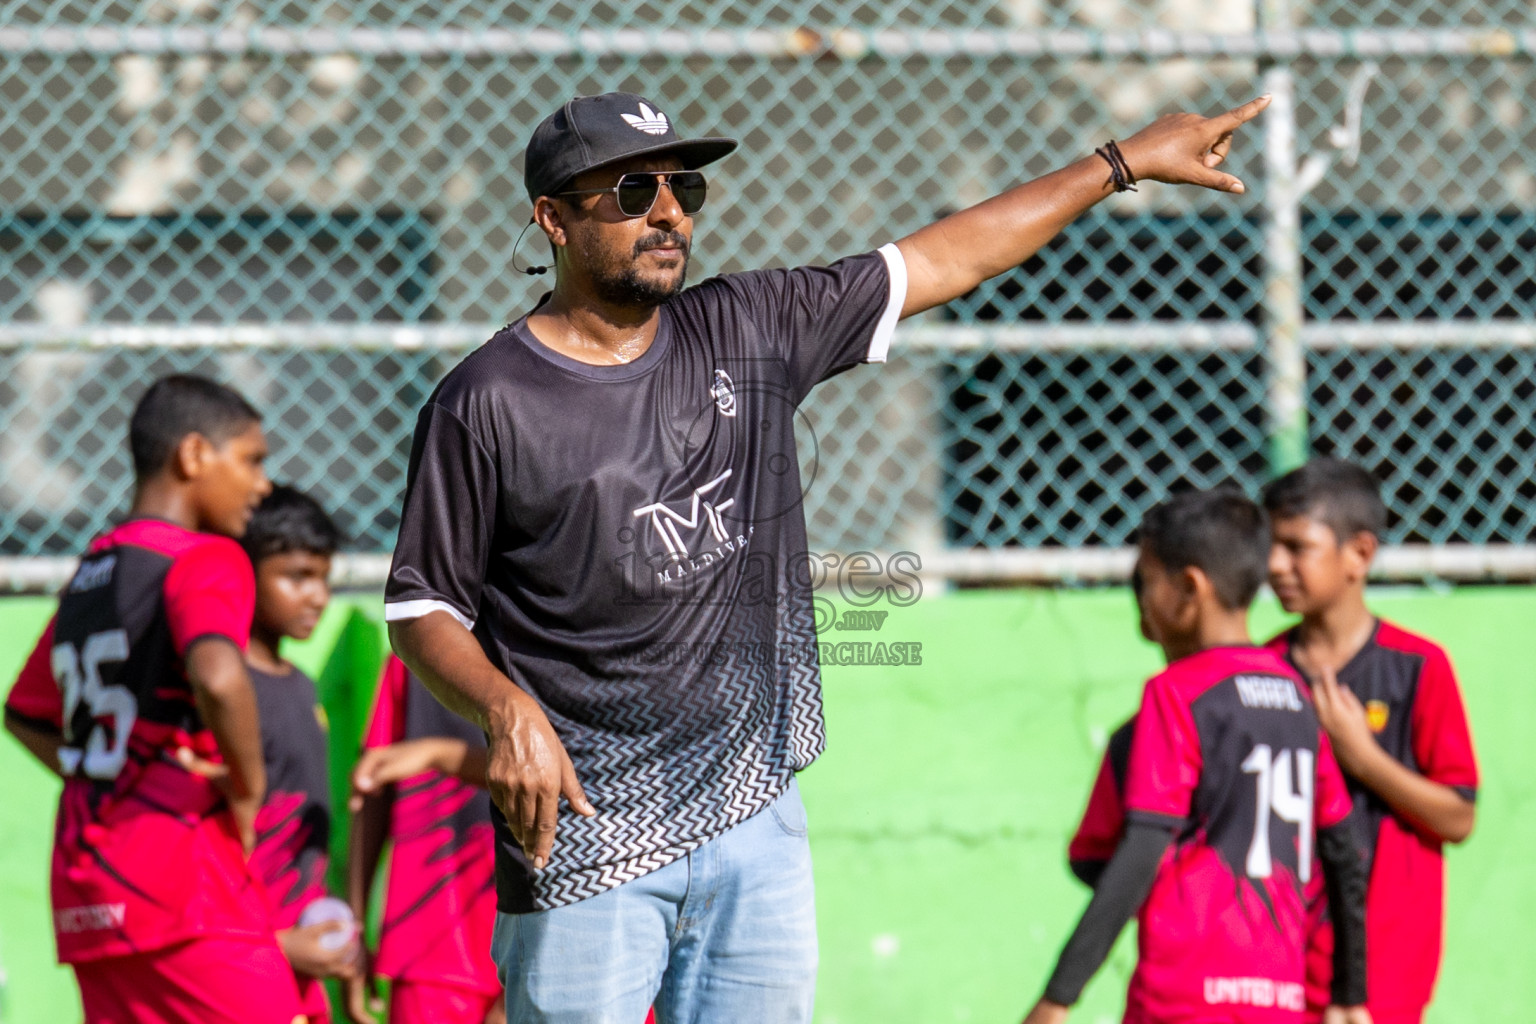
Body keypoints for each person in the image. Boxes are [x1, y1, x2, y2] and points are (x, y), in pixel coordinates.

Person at [383, 89, 1272, 1021]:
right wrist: (502, 706)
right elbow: (421, 608)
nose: (668, 211)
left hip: (755, 815)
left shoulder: (748, 326)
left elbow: (944, 257)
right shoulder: (484, 400)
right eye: (633, 190)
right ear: (553, 219)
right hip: (586, 839)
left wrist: (1119, 163)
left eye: (683, 185)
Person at [1, 374, 303, 1024]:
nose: (262, 484)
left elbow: (23, 714)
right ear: (193, 455)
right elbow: (219, 676)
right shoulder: (207, 560)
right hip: (182, 887)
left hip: (88, 898)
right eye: (252, 459)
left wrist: (111, 774)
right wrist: (248, 789)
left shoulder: (91, 574)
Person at [1020, 489, 1371, 1024]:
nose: (1140, 600)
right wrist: (1350, 995)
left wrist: (1060, 995)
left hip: (1183, 994)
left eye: (1146, 581)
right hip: (1277, 998)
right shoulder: (1296, 699)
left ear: (1188, 589)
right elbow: (1345, 850)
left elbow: (1141, 848)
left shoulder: (1177, 693)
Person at [1264, 458, 1478, 1024]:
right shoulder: (1262, 674)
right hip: (1277, 962)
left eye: (1296, 547)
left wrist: (1363, 758)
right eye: (1269, 546)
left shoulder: (1419, 668)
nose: (1274, 565)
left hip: (1386, 967)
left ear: (1359, 554)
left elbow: (1458, 817)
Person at [240, 484, 360, 1022]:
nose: (318, 596)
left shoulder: (303, 686)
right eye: (297, 577)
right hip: (245, 955)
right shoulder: (227, 692)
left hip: (302, 949)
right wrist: (274, 943)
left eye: (324, 578)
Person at [344, 655, 502, 1024]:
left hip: (551, 940)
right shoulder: (416, 644)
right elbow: (373, 788)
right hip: (429, 947)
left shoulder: (562, 638)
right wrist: (353, 932)